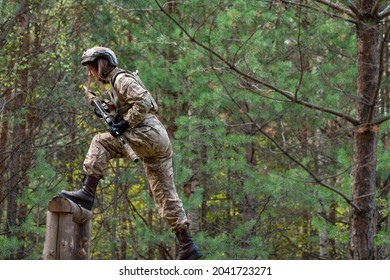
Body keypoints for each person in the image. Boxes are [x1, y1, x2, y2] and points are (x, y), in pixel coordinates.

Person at [60, 47, 202, 260]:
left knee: (100, 142)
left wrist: (125, 123)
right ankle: (187, 244)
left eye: (91, 68)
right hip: (157, 141)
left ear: (101, 64)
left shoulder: (121, 79)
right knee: (164, 194)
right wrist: (106, 108)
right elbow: (128, 106)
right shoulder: (115, 85)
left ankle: (87, 194)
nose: (90, 74)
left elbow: (143, 102)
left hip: (148, 134)